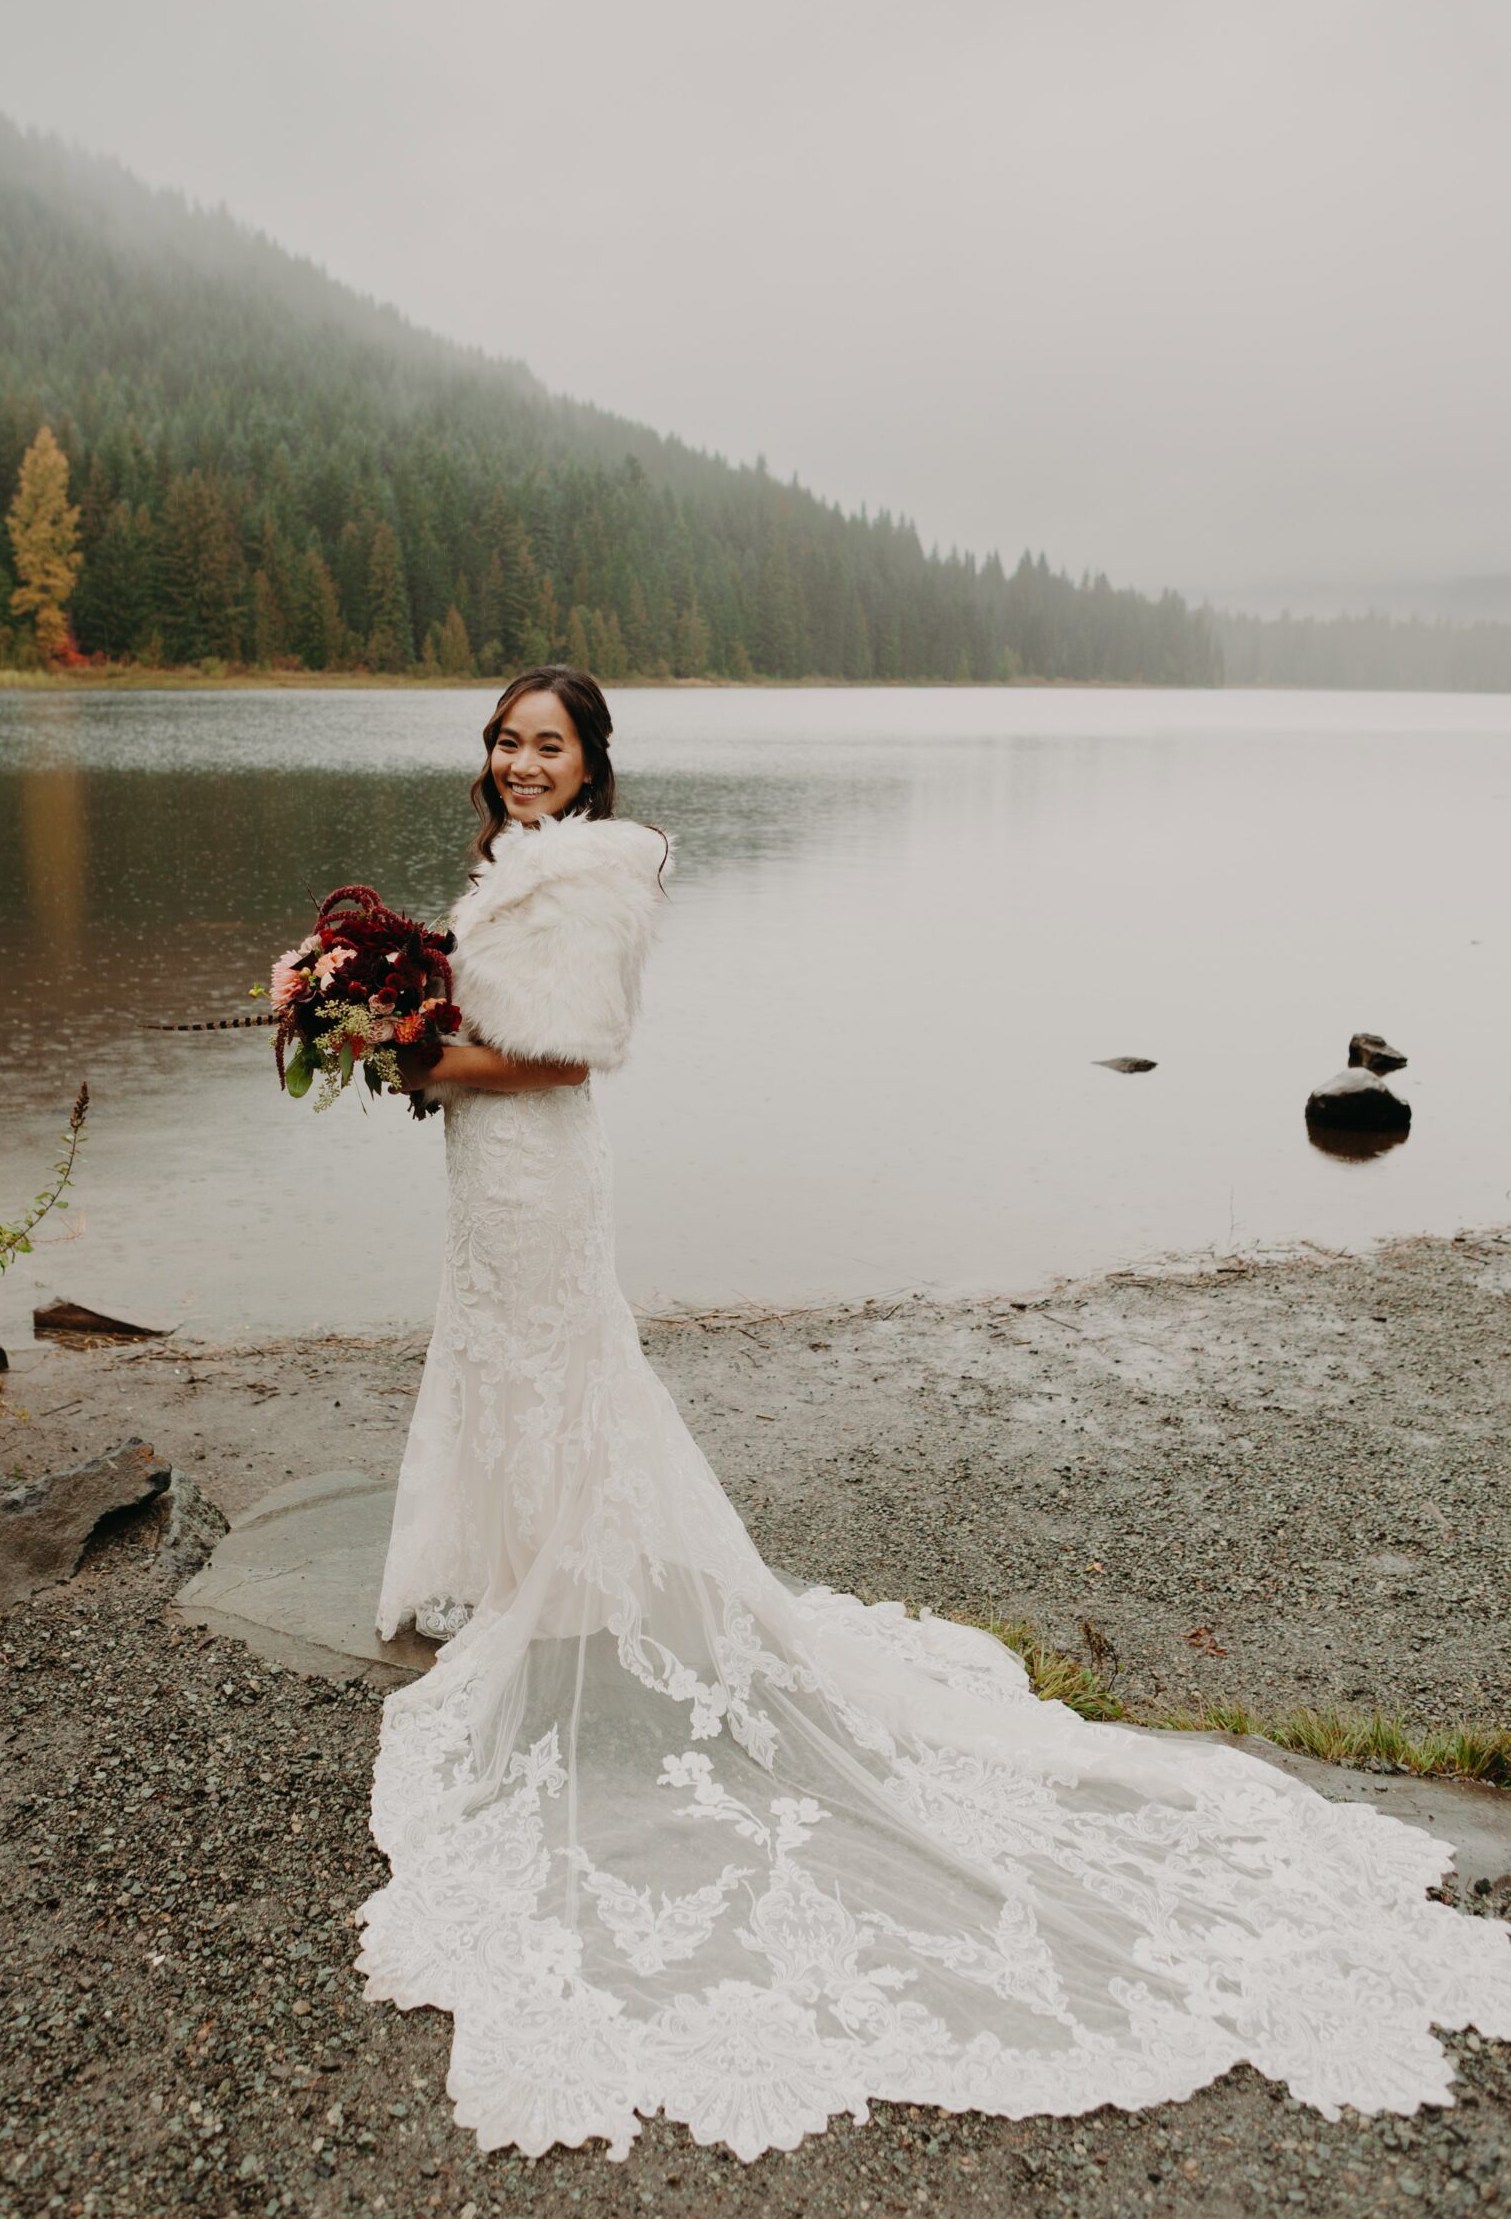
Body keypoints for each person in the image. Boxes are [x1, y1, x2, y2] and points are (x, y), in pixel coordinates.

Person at [356, 664, 1511, 2164]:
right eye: (506, 743)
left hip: (540, 1152)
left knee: (564, 1363)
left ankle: (572, 1596)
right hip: (487, 1169)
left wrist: (428, 1058)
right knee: (503, 1355)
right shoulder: (515, 864)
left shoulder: (607, 871)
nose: (521, 765)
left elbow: (580, 1049)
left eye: (548, 747)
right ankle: (526, 1577)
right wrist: (364, 991)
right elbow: (473, 989)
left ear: (594, 767)